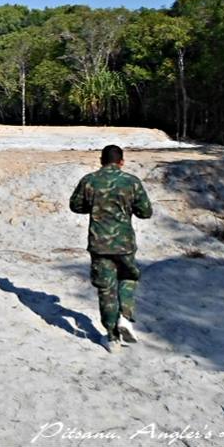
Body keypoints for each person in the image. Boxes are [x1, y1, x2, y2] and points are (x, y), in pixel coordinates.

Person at [69, 144, 152, 353]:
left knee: (106, 289)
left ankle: (112, 337)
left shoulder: (89, 180)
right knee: (129, 278)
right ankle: (125, 315)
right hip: (124, 243)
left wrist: (95, 205)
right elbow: (145, 212)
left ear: (101, 160)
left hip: (99, 244)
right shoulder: (131, 182)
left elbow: (75, 206)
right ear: (121, 161)